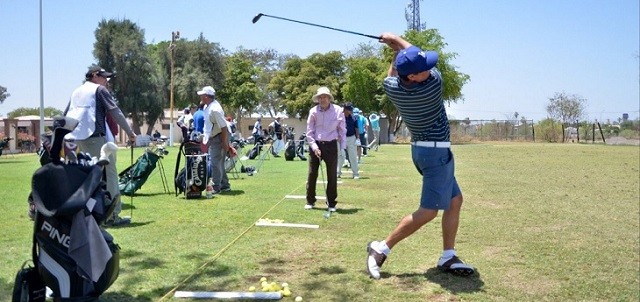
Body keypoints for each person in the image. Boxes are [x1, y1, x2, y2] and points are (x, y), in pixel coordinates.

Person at [366, 33, 475, 279]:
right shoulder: (433, 85)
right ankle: (380, 248)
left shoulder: (392, 88)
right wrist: (397, 40)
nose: (430, 68)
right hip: (436, 153)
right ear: (413, 76)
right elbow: (412, 53)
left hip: (422, 150)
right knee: (428, 211)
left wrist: (397, 53)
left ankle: (448, 255)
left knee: (455, 200)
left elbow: (391, 75)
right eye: (423, 68)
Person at [64, 65, 136, 226]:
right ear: (95, 75)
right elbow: (115, 111)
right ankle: (112, 215)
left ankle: (88, 214)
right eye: (104, 77)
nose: (106, 80)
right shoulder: (99, 90)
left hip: (76, 138)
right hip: (95, 137)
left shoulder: (77, 91)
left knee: (88, 176)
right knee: (110, 174)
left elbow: (66, 114)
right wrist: (130, 132)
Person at [305, 87, 346, 212]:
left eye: (325, 97)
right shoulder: (313, 111)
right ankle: (310, 201)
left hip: (331, 145)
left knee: (332, 175)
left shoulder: (338, 111)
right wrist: (315, 147)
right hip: (316, 144)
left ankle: (331, 203)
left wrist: (343, 148)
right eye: (320, 97)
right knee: (312, 174)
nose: (322, 99)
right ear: (318, 99)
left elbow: (342, 131)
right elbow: (309, 132)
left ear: (329, 98)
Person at [198, 86, 236, 193]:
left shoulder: (215, 109)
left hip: (220, 135)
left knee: (215, 162)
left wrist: (224, 143)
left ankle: (216, 186)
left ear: (206, 96)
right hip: (215, 136)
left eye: (202, 95)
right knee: (218, 162)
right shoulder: (208, 107)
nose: (200, 96)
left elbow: (223, 127)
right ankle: (224, 185)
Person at [337, 102, 360, 179]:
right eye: (349, 109)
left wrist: (358, 138)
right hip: (341, 138)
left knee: (353, 156)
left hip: (351, 138)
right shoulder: (339, 117)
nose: (350, 111)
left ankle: (356, 174)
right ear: (345, 109)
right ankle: (338, 172)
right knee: (341, 156)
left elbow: (356, 128)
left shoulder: (354, 118)